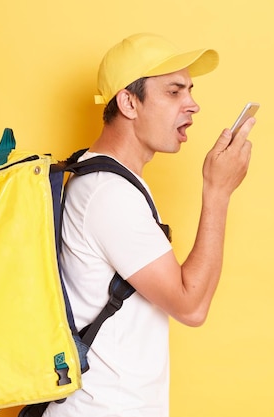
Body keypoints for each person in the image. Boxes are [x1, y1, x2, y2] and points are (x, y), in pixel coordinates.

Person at [44, 33, 255, 417]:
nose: (193, 105)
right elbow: (191, 306)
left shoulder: (110, 180)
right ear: (128, 102)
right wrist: (218, 191)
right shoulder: (109, 194)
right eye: (175, 92)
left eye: (190, 90)